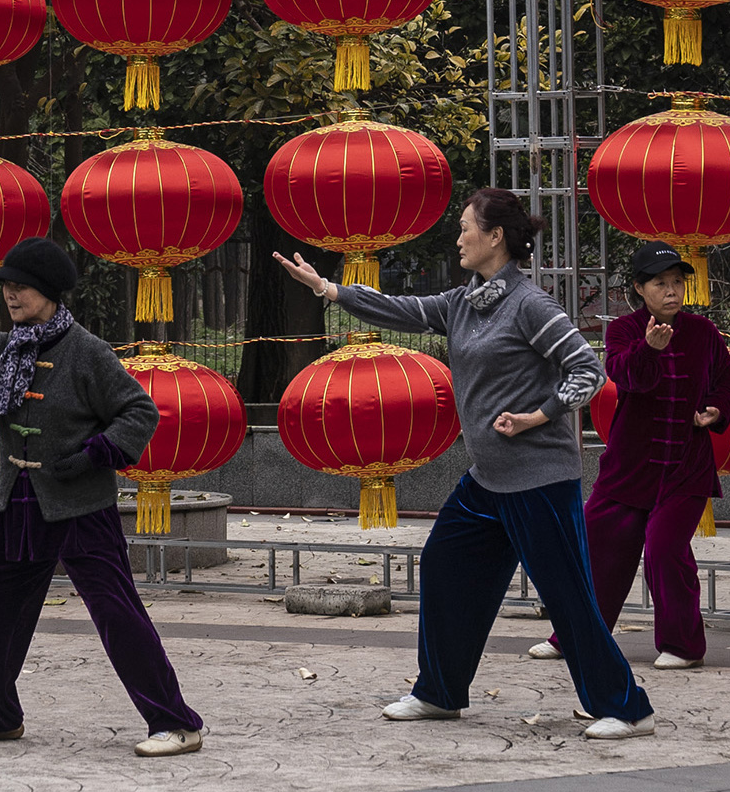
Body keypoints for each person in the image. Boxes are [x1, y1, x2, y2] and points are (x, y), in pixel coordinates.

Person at [274, 186, 655, 742]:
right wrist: (329, 289)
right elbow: (402, 310)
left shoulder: (531, 304)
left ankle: (627, 708)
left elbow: (588, 373)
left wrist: (537, 415)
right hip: (487, 482)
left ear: (495, 236)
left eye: (465, 228)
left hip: (539, 482)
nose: (458, 238)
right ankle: (440, 693)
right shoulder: (464, 301)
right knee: (446, 568)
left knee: (568, 596)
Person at [0, 236, 204, 758]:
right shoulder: (8, 348)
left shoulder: (86, 351)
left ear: (48, 292)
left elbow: (139, 411)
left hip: (79, 508)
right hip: (19, 506)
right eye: (5, 286)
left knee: (115, 612)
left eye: (20, 287)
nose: (10, 294)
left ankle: (177, 723)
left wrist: (97, 453)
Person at [536, 243, 730, 671]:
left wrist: (716, 408)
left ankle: (683, 646)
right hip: (631, 466)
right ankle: (572, 636)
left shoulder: (703, 332)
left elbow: (726, 378)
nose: (672, 291)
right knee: (598, 548)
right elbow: (628, 379)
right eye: (661, 283)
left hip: (686, 466)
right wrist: (650, 348)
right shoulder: (624, 330)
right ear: (639, 289)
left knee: (665, 548)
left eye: (678, 283)